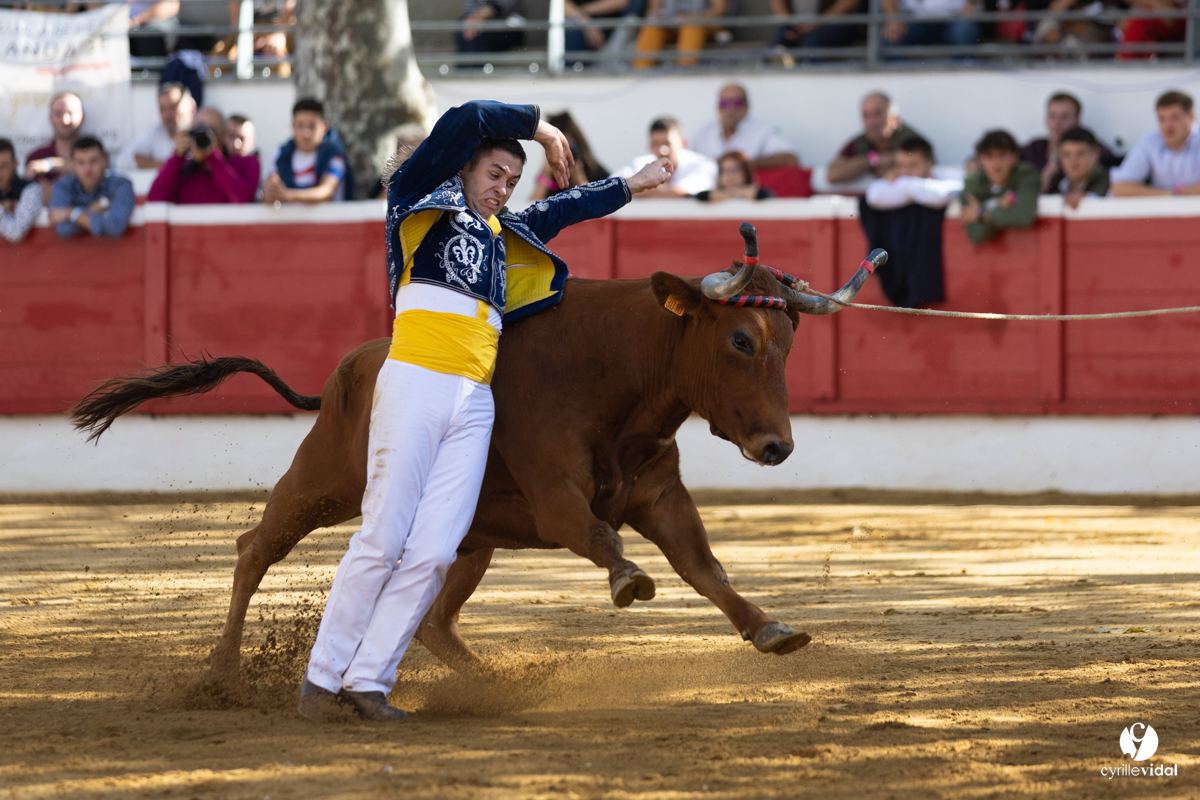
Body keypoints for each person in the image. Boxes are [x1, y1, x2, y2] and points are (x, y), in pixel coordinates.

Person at [297, 100, 674, 723]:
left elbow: (564, 208)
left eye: (512, 181)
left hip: (474, 401)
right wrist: (542, 129)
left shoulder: (506, 236)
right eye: (494, 174)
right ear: (463, 171)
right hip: (415, 381)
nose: (502, 188)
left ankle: (368, 682)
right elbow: (467, 118)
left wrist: (633, 183)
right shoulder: (417, 202)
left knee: (435, 551)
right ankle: (321, 677)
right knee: (384, 537)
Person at [861, 135, 959, 307]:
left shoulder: (942, 179)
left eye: (912, 165)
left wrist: (901, 185)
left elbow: (940, 194)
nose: (905, 172)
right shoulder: (896, 185)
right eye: (899, 166)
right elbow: (874, 196)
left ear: (930, 164)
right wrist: (913, 188)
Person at [147, 107, 261, 204]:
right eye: (197, 129)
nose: (202, 136)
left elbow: (244, 198)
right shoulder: (183, 169)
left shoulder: (246, 163)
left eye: (210, 130)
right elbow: (155, 198)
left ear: (223, 135)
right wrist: (177, 156)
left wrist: (213, 157)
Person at [1018, 93, 1117, 193]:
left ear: (1077, 120)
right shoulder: (1032, 150)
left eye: (1064, 117)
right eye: (1052, 116)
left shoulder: (1095, 148)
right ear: (1046, 119)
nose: (1057, 123)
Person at [264, 98, 355, 204]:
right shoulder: (281, 153)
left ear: (324, 127)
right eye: (300, 125)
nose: (306, 133)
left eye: (312, 126)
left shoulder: (334, 154)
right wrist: (271, 190)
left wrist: (287, 195)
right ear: (292, 126)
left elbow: (326, 191)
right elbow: (268, 190)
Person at [689, 84, 800, 171]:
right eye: (724, 103)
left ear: (747, 107)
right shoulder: (703, 132)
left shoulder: (761, 131)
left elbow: (791, 158)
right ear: (717, 107)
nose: (729, 109)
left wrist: (745, 165)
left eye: (736, 103)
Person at [1110, 90, 1200, 197]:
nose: (1167, 125)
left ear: (1191, 117)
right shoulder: (1149, 141)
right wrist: (1172, 194)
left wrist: (1174, 194)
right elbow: (1119, 188)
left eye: (1174, 118)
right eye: (1162, 119)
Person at [961, 129, 1039, 245]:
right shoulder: (973, 183)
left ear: (1014, 157)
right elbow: (976, 235)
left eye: (1001, 155)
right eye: (989, 156)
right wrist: (999, 205)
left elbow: (1024, 217)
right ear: (980, 160)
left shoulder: (1027, 175)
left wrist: (981, 213)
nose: (996, 163)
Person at [826, 92, 924, 183]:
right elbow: (832, 174)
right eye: (866, 115)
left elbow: (920, 169)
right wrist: (873, 160)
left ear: (895, 119)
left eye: (878, 114)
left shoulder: (912, 141)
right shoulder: (859, 142)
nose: (871, 121)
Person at [48, 137, 135, 239]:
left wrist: (71, 213)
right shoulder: (62, 186)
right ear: (72, 165)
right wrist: (91, 209)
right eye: (81, 162)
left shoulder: (121, 185)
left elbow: (115, 227)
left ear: (105, 160)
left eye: (93, 161)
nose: (87, 169)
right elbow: (63, 229)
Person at [618, 117, 716, 197]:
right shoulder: (639, 163)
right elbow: (616, 187)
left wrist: (637, 187)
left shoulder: (703, 164)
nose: (662, 150)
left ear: (683, 143)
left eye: (668, 143)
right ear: (650, 146)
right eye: (656, 143)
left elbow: (681, 193)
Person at [116, 82, 197, 171]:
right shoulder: (154, 133)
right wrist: (172, 165)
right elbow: (123, 161)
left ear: (192, 107)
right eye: (162, 109)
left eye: (173, 106)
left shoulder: (202, 132)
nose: (167, 114)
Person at [529, 111, 609, 200]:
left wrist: (580, 180)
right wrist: (546, 174)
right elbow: (531, 205)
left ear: (580, 146)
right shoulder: (551, 177)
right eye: (559, 147)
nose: (566, 154)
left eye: (570, 147)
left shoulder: (596, 173)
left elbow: (596, 204)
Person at [23, 91, 85, 204]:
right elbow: (37, 197)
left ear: (82, 116)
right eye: (58, 114)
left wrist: (49, 164)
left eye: (70, 113)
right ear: (50, 118)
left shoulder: (95, 152)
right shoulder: (36, 156)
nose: (65, 120)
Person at [633, 0, 728, 69]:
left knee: (692, 27)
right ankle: (639, 71)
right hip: (671, 25)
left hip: (703, 25)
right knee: (651, 28)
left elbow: (719, 10)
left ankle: (685, 70)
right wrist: (661, 17)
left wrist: (691, 18)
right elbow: (654, 9)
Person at [771, 0, 868, 51]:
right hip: (795, 26)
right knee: (777, 49)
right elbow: (777, 2)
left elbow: (851, 2)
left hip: (832, 23)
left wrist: (819, 22)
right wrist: (791, 24)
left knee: (810, 48)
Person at [879, 0, 980, 49]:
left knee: (965, 31)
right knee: (889, 37)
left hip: (955, 18)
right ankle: (902, 79)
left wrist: (972, 4)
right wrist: (892, 18)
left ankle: (961, 76)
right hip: (912, 18)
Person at [1051, 127, 1110, 210]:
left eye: (1080, 154)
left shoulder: (1111, 180)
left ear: (1095, 155)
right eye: (1067, 155)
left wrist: (1088, 197)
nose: (1073, 161)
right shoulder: (1055, 184)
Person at [1, 138, 43, 244]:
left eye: (3, 166)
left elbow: (16, 233)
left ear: (15, 164)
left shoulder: (30, 189)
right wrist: (3, 207)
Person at [695, 151, 773, 201]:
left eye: (734, 170)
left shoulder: (759, 192)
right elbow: (701, 196)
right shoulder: (711, 193)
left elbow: (766, 196)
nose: (729, 175)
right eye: (724, 171)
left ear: (745, 172)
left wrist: (733, 192)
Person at [456, 0, 526, 56]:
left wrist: (482, 14)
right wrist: (472, 19)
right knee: (465, 32)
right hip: (480, 28)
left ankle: (471, 68)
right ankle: (468, 68)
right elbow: (469, 10)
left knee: (478, 34)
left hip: (509, 26)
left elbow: (505, 5)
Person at [564, 0, 634, 51]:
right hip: (578, 23)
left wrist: (584, 10)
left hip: (610, 27)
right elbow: (561, 4)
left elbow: (621, 2)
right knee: (571, 31)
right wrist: (585, 21)